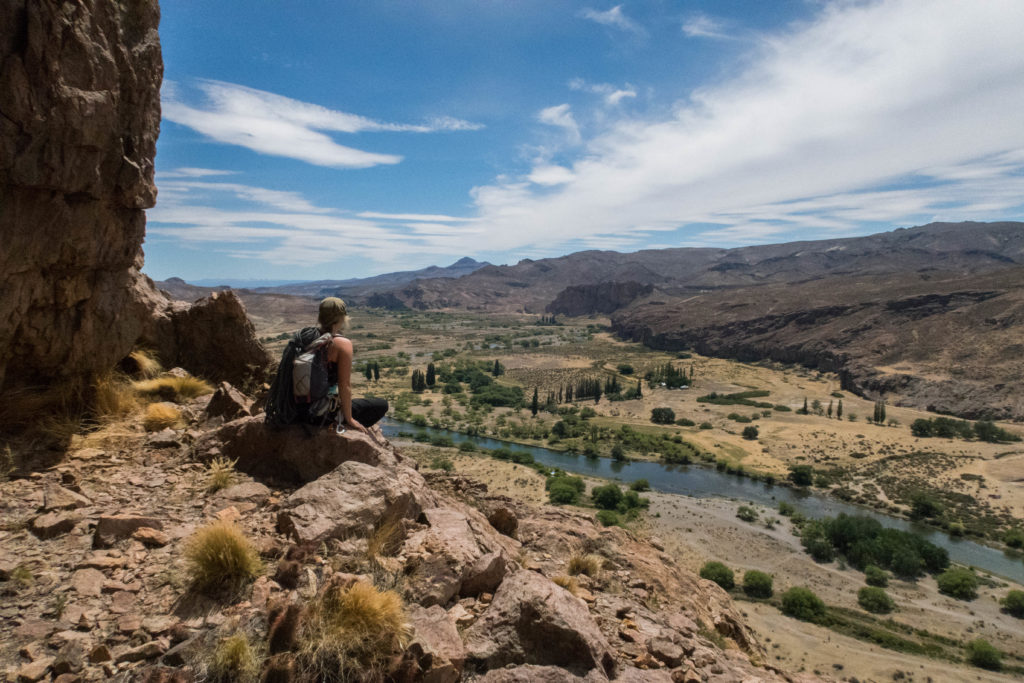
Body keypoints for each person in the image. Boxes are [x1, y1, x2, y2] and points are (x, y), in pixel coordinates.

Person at [315, 297, 388, 433]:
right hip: (323, 414)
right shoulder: (342, 343)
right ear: (342, 317)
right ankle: (347, 428)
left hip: (300, 410)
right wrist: (349, 419)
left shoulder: (308, 337)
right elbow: (345, 385)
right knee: (382, 405)